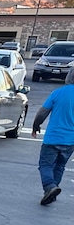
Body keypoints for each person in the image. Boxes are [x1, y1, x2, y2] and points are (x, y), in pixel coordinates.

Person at [32, 67, 74, 206]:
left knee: (45, 165)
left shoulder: (58, 93)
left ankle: (50, 187)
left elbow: (42, 112)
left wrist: (36, 126)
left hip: (53, 137)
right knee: (60, 166)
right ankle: (51, 193)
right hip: (70, 141)